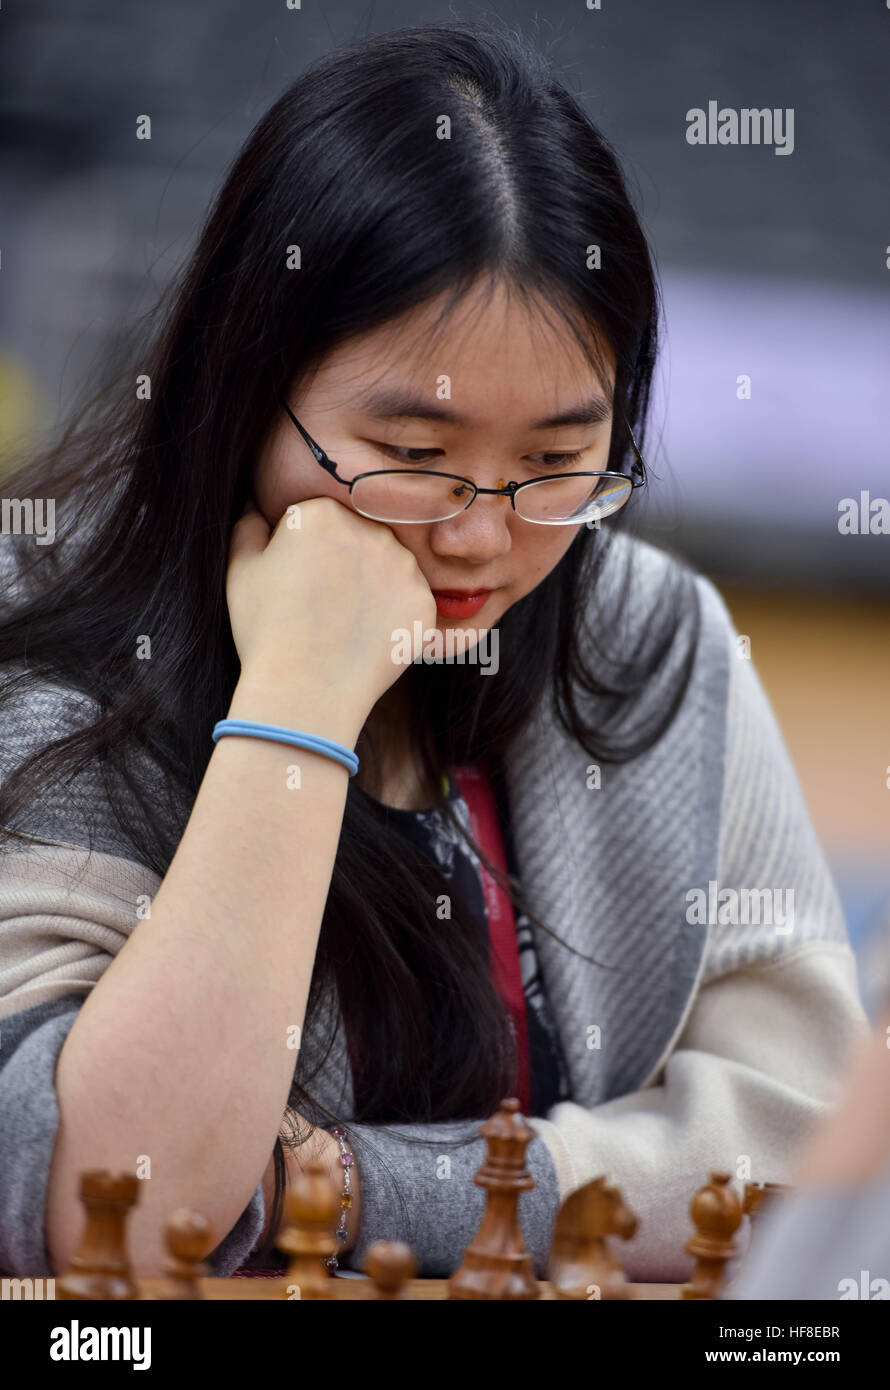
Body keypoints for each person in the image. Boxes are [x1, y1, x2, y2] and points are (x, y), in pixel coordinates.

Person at [0, 19, 868, 1283]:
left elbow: (805, 1135)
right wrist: (298, 702)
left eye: (555, 464)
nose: (480, 538)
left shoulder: (652, 639)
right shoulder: (56, 656)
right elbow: (117, 1209)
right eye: (412, 460)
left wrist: (366, 1187)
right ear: (244, 388)